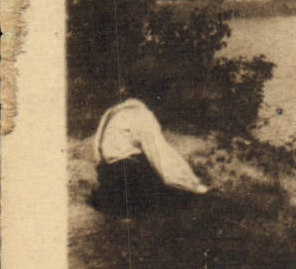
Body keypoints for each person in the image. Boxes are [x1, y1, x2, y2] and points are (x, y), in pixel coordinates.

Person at [89, 65, 210, 215]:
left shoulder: (112, 113)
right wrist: (196, 187)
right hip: (128, 185)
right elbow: (163, 161)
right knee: (184, 200)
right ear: (153, 93)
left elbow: (97, 155)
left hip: (107, 184)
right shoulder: (143, 116)